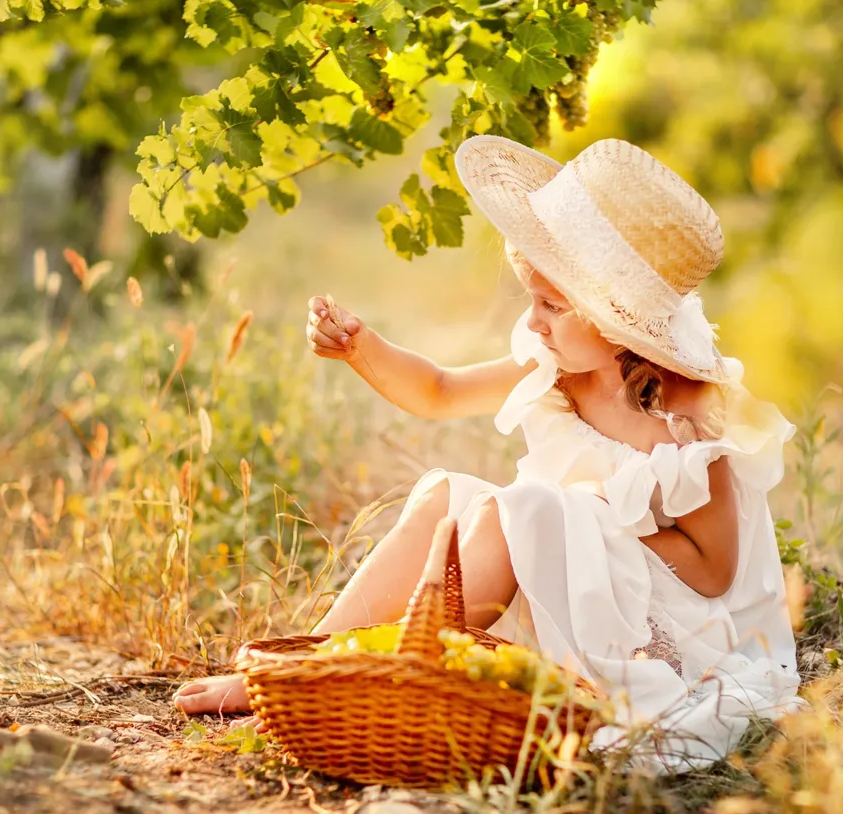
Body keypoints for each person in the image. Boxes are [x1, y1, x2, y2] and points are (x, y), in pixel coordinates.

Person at [172, 135, 808, 772]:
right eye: (534, 302)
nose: (534, 322)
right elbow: (439, 390)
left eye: (552, 307)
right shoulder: (564, 366)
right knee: (449, 492)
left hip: (667, 625)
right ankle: (315, 659)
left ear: (619, 323)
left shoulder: (688, 421)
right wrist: (360, 347)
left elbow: (714, 570)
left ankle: (385, 675)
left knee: (526, 511)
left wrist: (583, 531)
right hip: (580, 581)